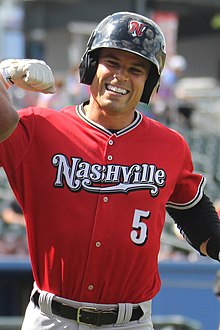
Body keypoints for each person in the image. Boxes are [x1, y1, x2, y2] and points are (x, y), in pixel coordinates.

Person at [0, 11, 219, 330]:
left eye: (136, 69)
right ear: (91, 66)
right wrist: (4, 74)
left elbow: (196, 218)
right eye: (112, 62)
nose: (121, 76)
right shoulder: (39, 129)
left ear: (149, 82)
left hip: (129, 322)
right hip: (52, 318)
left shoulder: (170, 145)